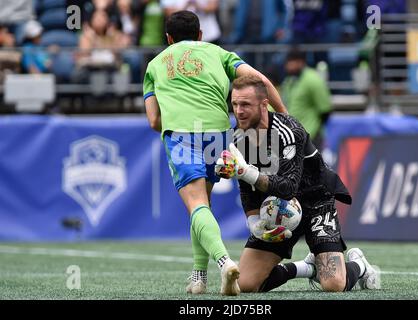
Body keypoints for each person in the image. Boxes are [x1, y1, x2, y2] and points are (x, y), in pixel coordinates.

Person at [143, 11, 288, 295]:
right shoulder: (220, 53)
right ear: (200, 35)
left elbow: (153, 121)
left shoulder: (154, 65)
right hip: (218, 135)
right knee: (203, 206)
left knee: (196, 205)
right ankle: (199, 278)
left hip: (182, 134)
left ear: (168, 39)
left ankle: (223, 263)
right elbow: (260, 81)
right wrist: (283, 115)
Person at [215, 75, 381, 292]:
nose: (238, 111)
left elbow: (288, 187)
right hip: (279, 209)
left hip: (316, 201)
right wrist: (254, 222)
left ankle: (359, 266)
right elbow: (248, 190)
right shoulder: (239, 138)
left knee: (333, 285)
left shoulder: (288, 130)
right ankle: (307, 268)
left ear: (264, 105)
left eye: (245, 104)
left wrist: (245, 171)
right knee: (245, 284)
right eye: (235, 104)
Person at [280, 48, 332, 150]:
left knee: (312, 166)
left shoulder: (313, 79)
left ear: (300, 62)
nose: (287, 66)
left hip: (311, 136)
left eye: (290, 62)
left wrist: (314, 130)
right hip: (292, 137)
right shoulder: (289, 80)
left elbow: (325, 109)